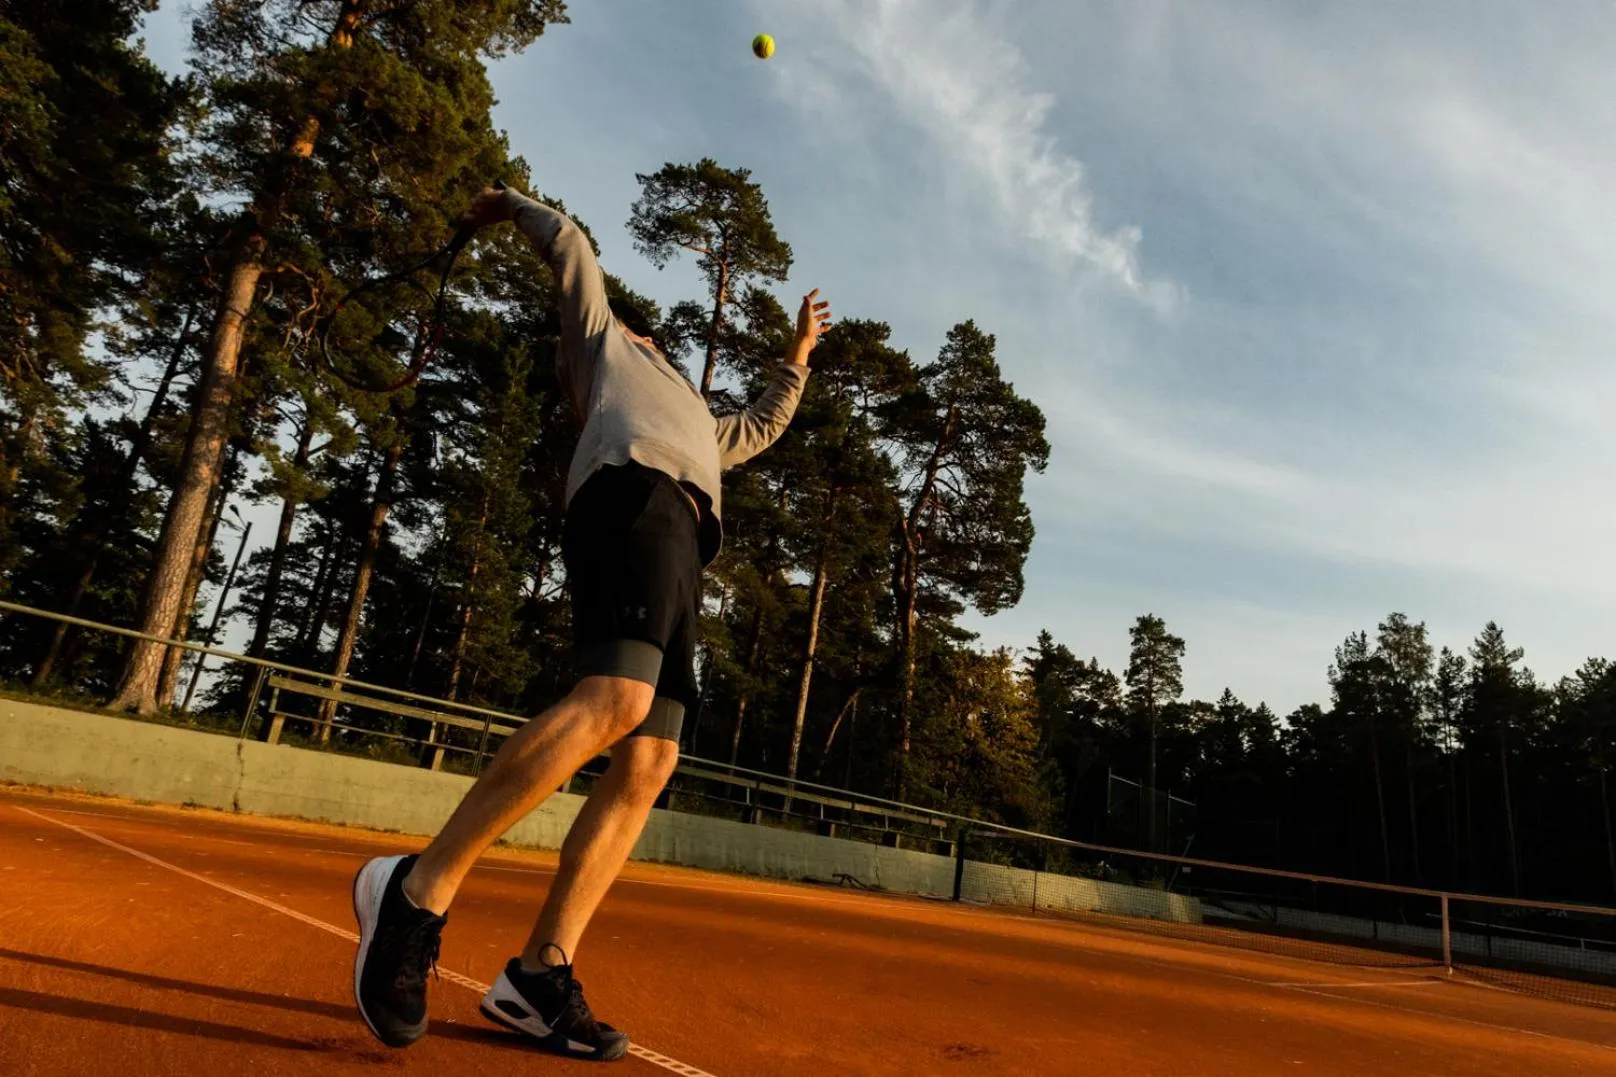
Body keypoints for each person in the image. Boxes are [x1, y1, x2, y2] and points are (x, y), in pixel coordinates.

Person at [349, 183, 831, 1061]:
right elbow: (569, 245)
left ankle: (540, 973)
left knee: (651, 755)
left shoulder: (695, 414)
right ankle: (415, 891)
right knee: (614, 697)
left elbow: (759, 426)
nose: (659, 338)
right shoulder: (607, 347)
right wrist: (506, 203)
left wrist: (795, 354)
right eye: (649, 332)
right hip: (630, 495)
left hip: (687, 533)